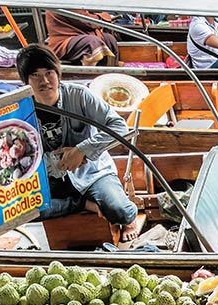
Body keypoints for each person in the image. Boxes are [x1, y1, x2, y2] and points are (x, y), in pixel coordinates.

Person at [17, 44, 142, 243]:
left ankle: (127, 219)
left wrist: (81, 150)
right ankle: (81, 203)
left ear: (58, 74)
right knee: (20, 212)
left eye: (49, 73)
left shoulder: (79, 95)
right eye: (35, 75)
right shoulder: (19, 109)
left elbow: (119, 126)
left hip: (92, 172)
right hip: (50, 178)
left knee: (120, 211)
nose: (45, 81)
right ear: (25, 80)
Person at [45, 9, 119, 66]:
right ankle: (88, 75)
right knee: (92, 42)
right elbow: (86, 21)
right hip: (64, 40)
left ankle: (110, 74)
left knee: (109, 39)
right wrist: (105, 17)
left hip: (83, 34)